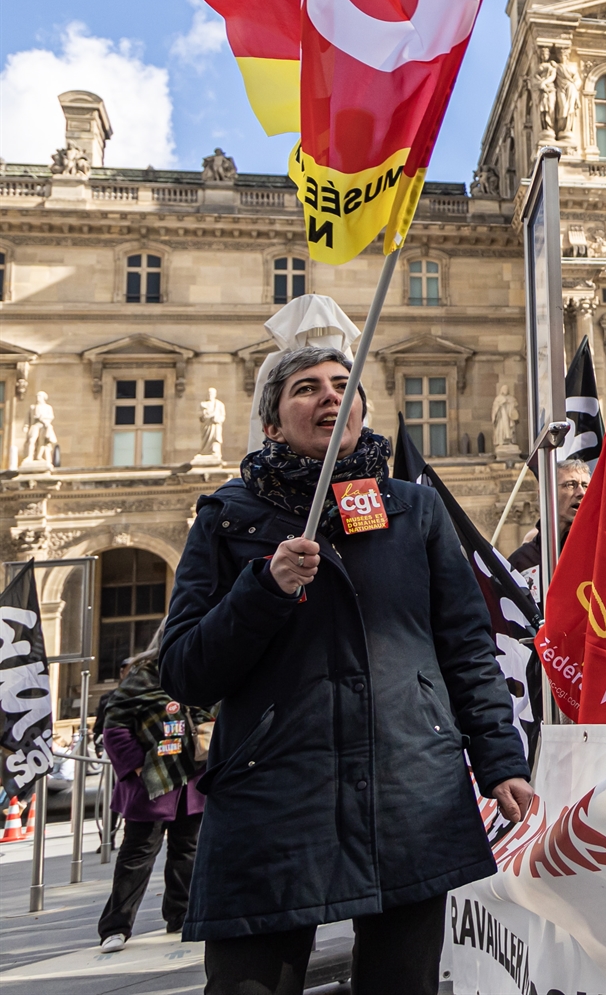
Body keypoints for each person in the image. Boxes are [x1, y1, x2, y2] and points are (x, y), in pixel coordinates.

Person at [160, 346, 532, 993]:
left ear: (362, 405)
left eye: (345, 384)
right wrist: (263, 588)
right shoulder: (226, 517)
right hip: (273, 803)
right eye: (307, 387)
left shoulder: (413, 510)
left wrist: (500, 758)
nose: (331, 395)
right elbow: (185, 670)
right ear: (271, 422)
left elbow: (468, 647)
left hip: (407, 792)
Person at [96, 630, 206, 952]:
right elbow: (113, 727)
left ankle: (181, 914)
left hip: (192, 781)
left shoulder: (200, 670)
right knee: (138, 854)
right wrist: (137, 767)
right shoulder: (142, 677)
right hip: (152, 784)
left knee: (188, 850)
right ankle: (115, 926)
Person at [508, 458, 590, 574]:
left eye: (586, 486)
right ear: (546, 492)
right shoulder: (521, 562)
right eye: (571, 485)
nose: (581, 493)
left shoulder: (598, 554)